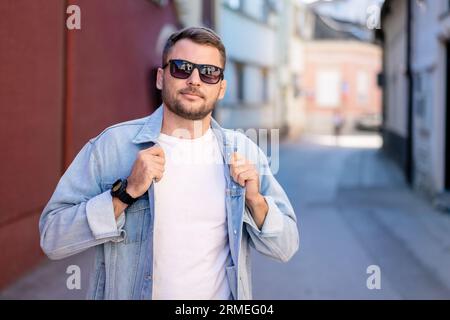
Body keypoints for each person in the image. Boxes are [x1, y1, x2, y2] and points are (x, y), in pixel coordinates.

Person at [39, 27, 299, 300]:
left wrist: (256, 201)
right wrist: (124, 194)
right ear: (161, 77)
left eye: (208, 72)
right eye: (182, 68)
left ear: (221, 88)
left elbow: (286, 247)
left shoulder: (244, 152)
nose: (195, 80)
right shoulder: (112, 146)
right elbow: (53, 238)